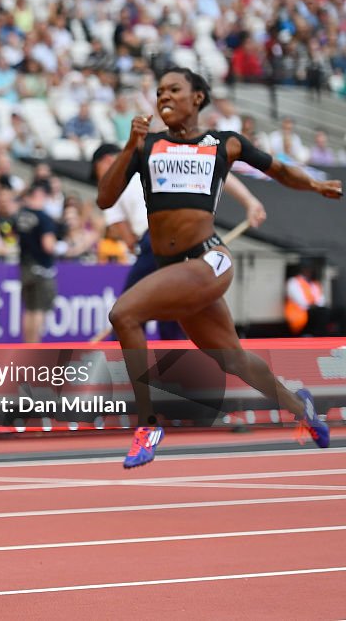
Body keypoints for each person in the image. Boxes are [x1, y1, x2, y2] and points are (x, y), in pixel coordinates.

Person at [97, 67, 341, 469]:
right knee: (233, 359)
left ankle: (148, 424)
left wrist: (316, 186)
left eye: (174, 89)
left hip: (209, 258)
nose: (164, 97)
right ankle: (303, 407)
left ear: (197, 98)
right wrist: (129, 146)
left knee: (123, 313)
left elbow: (279, 170)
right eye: (159, 92)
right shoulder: (147, 146)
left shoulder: (223, 145)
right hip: (176, 269)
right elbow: (106, 200)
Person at [91, 142, 268, 340]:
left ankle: (116, 366)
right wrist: (250, 201)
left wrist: (140, 250)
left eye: (98, 172)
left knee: (125, 312)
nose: (100, 178)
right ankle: (177, 363)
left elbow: (128, 239)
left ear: (106, 161)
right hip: (192, 238)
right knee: (172, 308)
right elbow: (215, 169)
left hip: (156, 240)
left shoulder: (111, 186)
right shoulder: (153, 157)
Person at [16, 180, 60, 343]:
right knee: (39, 309)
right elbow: (48, 246)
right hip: (42, 269)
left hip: (25, 267)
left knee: (29, 309)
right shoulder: (44, 218)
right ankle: (35, 347)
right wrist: (62, 247)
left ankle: (28, 346)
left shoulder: (22, 215)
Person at [285, 261, 328, 336]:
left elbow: (321, 300)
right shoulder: (294, 282)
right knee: (319, 312)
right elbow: (300, 300)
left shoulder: (314, 284)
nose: (309, 272)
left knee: (324, 311)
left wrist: (316, 305)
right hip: (300, 311)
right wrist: (312, 305)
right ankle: (308, 334)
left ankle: (318, 335)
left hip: (313, 310)